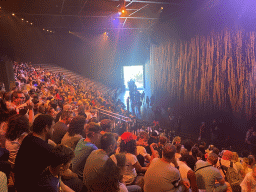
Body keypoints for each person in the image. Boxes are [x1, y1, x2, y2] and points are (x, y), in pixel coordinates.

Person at [14, 114, 55, 192]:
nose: (54, 130)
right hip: (31, 187)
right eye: (52, 127)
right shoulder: (46, 149)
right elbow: (56, 171)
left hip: (20, 184)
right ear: (46, 128)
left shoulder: (28, 138)